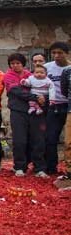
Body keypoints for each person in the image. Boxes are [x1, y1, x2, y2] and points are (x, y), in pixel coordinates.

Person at [10, 63, 52, 177]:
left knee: (39, 140)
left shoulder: (46, 80)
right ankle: (19, 167)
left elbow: (52, 91)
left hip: (39, 111)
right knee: (19, 141)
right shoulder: (12, 76)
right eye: (13, 63)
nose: (16, 65)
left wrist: (47, 99)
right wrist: (35, 97)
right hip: (19, 111)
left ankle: (39, 168)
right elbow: (15, 90)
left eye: (18, 63)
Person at [43, 42, 71, 176]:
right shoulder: (47, 68)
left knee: (69, 140)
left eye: (60, 53)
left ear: (67, 53)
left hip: (69, 106)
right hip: (53, 106)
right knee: (50, 138)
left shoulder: (70, 69)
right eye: (54, 53)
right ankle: (51, 168)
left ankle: (69, 169)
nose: (56, 56)